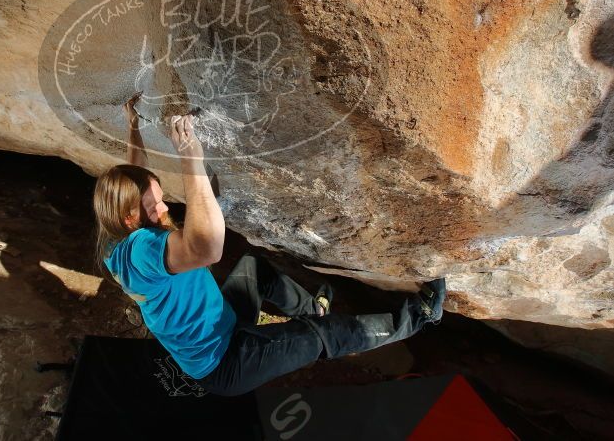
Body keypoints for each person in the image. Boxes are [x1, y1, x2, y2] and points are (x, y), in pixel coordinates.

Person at [92, 92, 446, 396]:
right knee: (323, 337)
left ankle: (312, 308)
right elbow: (207, 248)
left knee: (252, 269)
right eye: (155, 206)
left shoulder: (114, 238)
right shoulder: (141, 250)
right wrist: (191, 158)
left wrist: (133, 128)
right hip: (226, 360)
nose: (164, 207)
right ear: (130, 219)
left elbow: (130, 175)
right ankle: (420, 317)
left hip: (223, 321)